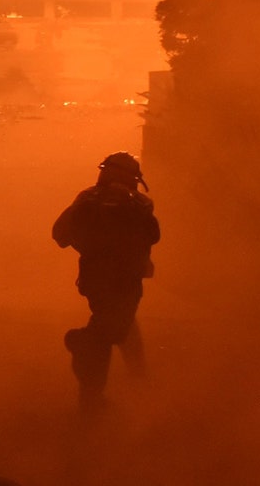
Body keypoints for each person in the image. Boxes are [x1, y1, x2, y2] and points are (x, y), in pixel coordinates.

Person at [52, 151, 159, 412]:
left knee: (118, 322)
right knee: (106, 334)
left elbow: (60, 234)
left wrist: (89, 246)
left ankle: (130, 376)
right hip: (127, 281)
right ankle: (90, 393)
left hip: (94, 281)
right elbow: (153, 236)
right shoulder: (140, 204)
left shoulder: (87, 198)